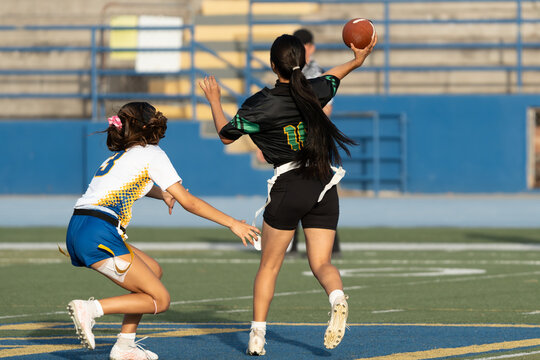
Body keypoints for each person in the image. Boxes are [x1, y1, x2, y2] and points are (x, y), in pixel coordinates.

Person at [199, 31, 377, 355]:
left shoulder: (261, 103)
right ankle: (337, 298)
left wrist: (213, 100)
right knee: (321, 262)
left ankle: (257, 336)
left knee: (269, 266)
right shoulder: (312, 91)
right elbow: (334, 77)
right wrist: (358, 59)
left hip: (289, 184)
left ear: (271, 64)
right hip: (324, 182)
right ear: (304, 61)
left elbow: (227, 136)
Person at [64, 102, 260, 360]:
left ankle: (125, 346)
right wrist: (233, 223)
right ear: (147, 126)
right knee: (160, 300)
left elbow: (136, 185)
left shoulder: (121, 156)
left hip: (81, 227)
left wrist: (163, 193)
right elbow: (189, 202)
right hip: (98, 231)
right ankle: (91, 309)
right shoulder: (151, 153)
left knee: (153, 270)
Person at [289, 28, 341, 257]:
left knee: (323, 189)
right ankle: (292, 243)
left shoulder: (317, 73)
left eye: (303, 47)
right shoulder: (287, 72)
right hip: (293, 138)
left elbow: (326, 109)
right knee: (291, 187)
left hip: (314, 139)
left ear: (311, 48)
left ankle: (331, 244)